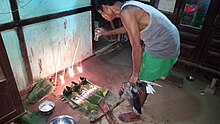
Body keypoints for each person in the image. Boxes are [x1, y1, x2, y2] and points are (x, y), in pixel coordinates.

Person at [94, 0, 180, 122]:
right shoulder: (128, 7)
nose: (103, 17)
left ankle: (136, 113)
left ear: (105, 7)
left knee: (143, 82)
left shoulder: (126, 12)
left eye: (101, 13)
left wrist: (135, 75)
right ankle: (138, 85)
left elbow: (136, 48)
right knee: (142, 70)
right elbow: (130, 27)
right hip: (169, 37)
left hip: (163, 45)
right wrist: (109, 32)